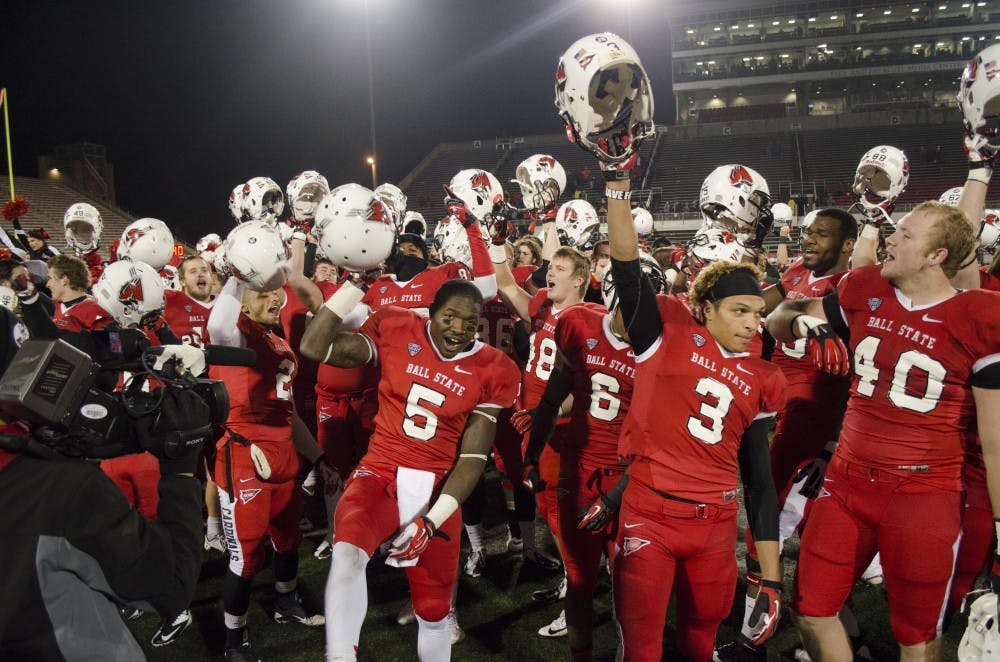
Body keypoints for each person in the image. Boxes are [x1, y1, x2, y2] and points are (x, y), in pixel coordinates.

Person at [766, 201, 1000, 661]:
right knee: (811, 608)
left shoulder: (981, 316)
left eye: (907, 235)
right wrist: (805, 322)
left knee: (915, 635)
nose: (891, 239)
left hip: (924, 492)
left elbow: (994, 442)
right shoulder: (863, 287)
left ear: (938, 255)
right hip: (847, 482)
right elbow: (778, 319)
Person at [602, 167, 786, 661]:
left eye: (756, 312)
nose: (752, 323)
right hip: (651, 515)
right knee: (641, 648)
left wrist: (771, 577)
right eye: (739, 311)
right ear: (705, 307)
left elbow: (761, 481)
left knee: (699, 644)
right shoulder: (665, 336)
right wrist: (616, 181)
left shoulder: (762, 377)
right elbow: (625, 265)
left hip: (716, 525)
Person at [300, 279, 520, 662]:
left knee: (434, 613)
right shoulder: (397, 327)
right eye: (450, 317)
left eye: (470, 322)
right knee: (347, 552)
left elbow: (472, 459)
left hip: (436, 487)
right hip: (380, 471)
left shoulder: (495, 368)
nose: (459, 329)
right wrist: (354, 284)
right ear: (431, 312)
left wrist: (432, 522)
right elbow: (313, 346)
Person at [724, 209, 858, 658]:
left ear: (847, 244)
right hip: (780, 399)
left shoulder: (851, 288)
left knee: (768, 521)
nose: (810, 240)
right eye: (808, 232)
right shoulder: (799, 270)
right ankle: (848, 630)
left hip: (813, 409)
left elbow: (859, 371)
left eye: (823, 235)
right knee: (808, 520)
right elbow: (761, 304)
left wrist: (831, 442)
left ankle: (752, 637)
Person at [207, 277, 327, 661]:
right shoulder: (234, 334)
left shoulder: (275, 340)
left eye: (275, 291)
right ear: (241, 303)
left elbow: (288, 414)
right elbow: (217, 325)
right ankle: (233, 640)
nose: (275, 297)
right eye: (262, 293)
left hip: (281, 451)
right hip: (245, 454)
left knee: (288, 536)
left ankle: (285, 600)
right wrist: (240, 273)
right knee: (246, 554)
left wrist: (319, 456)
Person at [44, 254, 92, 321]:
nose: (47, 285)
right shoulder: (55, 307)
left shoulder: (92, 313)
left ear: (64, 280)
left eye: (50, 278)